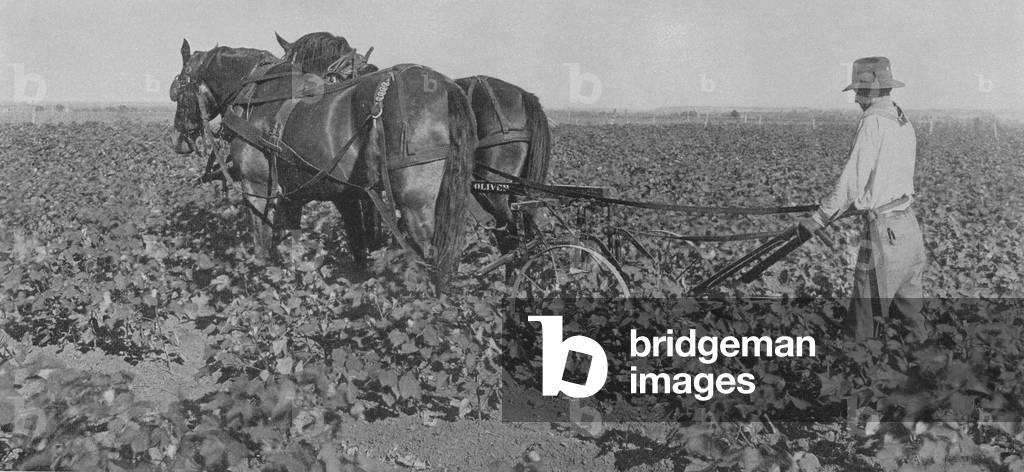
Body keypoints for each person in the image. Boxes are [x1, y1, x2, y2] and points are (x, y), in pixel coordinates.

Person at [800, 57, 928, 341]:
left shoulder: (872, 122)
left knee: (864, 317)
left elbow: (852, 180)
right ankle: (925, 371)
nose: (856, 99)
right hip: (908, 227)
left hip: (885, 233)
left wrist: (820, 218)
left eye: (859, 92)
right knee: (910, 317)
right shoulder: (902, 120)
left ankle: (855, 370)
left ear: (871, 92)